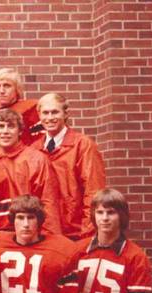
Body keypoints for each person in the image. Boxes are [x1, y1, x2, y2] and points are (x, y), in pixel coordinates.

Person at [36, 92, 106, 240]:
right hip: (43, 233)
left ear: (66, 113)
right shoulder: (34, 149)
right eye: (45, 113)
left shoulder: (83, 145)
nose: (50, 118)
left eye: (55, 112)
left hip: (75, 232)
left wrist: (88, 232)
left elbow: (94, 192)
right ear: (39, 115)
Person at [0, 108, 62, 235]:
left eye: (11, 126)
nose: (5, 131)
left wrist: (49, 239)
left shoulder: (36, 159)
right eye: (0, 127)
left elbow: (49, 203)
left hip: (30, 234)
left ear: (20, 131)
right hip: (0, 237)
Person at [0, 68, 44, 145]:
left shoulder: (31, 110)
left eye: (7, 86)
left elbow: (41, 142)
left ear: (17, 89)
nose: (2, 91)